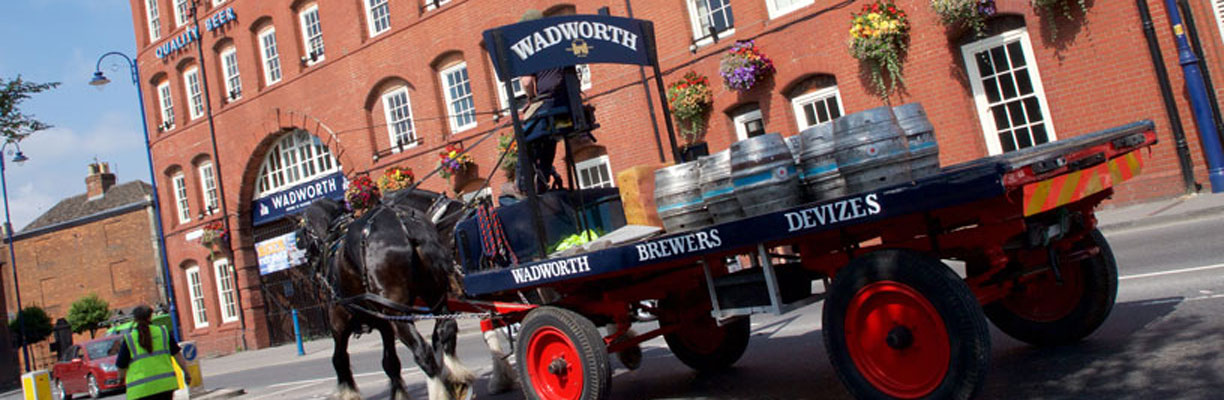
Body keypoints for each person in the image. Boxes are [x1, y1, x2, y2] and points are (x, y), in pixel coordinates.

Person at [116, 305, 190, 400]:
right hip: (165, 386)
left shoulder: (130, 339)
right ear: (150, 317)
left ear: (134, 319)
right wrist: (186, 373)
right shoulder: (163, 332)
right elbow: (177, 355)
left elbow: (121, 366)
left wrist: (121, 379)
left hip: (141, 390)